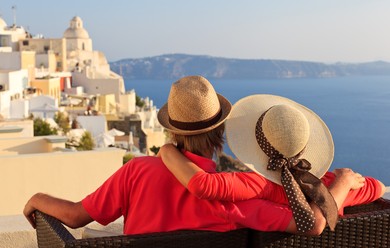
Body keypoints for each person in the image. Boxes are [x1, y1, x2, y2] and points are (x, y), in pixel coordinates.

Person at [24, 76, 370, 236]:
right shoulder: (236, 194)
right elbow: (312, 221)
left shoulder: (136, 173)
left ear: (173, 131)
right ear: (223, 132)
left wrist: (38, 197)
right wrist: (342, 184)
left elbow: (75, 216)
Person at [158, 94, 386, 233]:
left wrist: (167, 150)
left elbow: (202, 185)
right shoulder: (324, 185)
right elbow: (375, 187)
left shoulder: (253, 186)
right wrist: (344, 182)